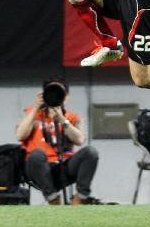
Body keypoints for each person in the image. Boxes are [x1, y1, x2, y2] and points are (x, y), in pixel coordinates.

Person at [15, 76, 101, 205]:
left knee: (91, 152)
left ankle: (81, 197)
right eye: (51, 92)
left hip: (63, 168)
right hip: (38, 169)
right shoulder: (32, 113)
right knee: (37, 154)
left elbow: (80, 140)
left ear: (67, 97)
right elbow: (20, 135)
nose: (55, 96)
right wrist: (36, 108)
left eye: (59, 92)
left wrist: (62, 120)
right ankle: (53, 198)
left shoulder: (73, 118)